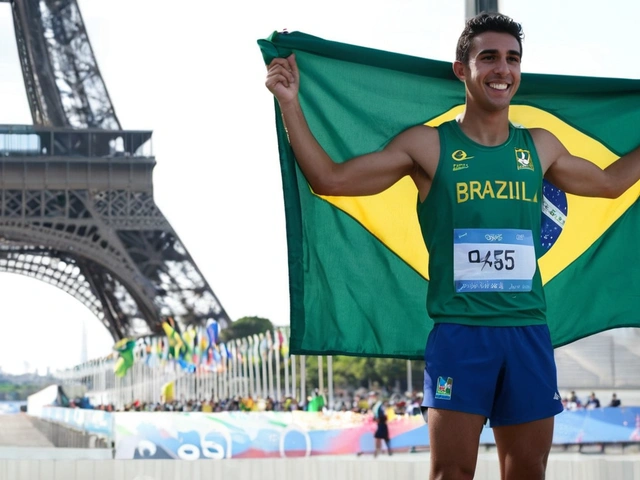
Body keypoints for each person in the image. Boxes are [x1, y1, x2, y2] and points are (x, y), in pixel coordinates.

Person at [265, 12, 640, 480]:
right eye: (489, 58)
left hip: (527, 334)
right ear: (462, 69)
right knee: (451, 473)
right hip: (460, 335)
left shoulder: (540, 147)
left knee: (527, 470)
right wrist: (290, 104)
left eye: (512, 59)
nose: (503, 69)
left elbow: (609, 184)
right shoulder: (427, 146)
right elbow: (330, 180)